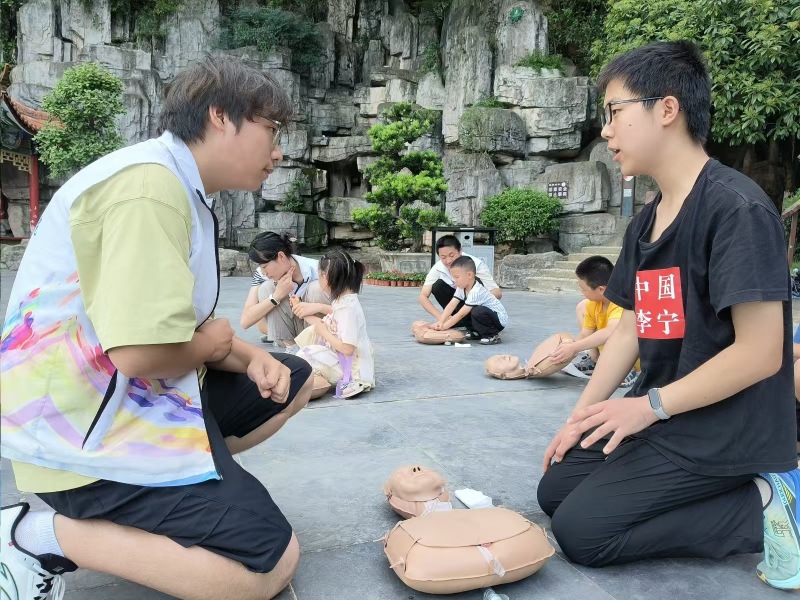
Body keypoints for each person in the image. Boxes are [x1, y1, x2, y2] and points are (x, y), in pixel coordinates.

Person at [0, 56, 316, 600]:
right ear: (221, 116)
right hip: (81, 433)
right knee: (267, 565)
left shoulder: (176, 183)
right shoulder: (149, 188)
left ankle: (183, 489)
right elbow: (142, 353)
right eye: (272, 129)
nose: (278, 151)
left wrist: (253, 356)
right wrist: (214, 343)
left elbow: (186, 327)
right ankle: (32, 535)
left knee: (295, 376)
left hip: (133, 399)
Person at [536, 40, 798, 591]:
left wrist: (647, 407)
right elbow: (632, 327)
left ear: (667, 109)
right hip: (668, 415)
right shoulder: (647, 220)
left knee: (584, 534)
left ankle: (765, 499)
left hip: (723, 427)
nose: (606, 130)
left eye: (615, 111)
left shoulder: (737, 209)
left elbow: (760, 353)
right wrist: (580, 418)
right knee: (555, 490)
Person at [294, 250, 374, 398]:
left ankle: (348, 382)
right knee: (307, 352)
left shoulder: (347, 308)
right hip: (344, 359)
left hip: (351, 367)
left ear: (326, 277)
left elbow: (348, 349)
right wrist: (307, 310)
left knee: (306, 354)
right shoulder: (344, 300)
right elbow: (332, 317)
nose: (318, 280)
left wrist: (324, 332)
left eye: (319, 276)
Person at [550, 255, 638, 387]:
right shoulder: (593, 303)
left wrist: (573, 348)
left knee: (615, 333)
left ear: (601, 289)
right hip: (608, 352)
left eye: (584, 289)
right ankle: (595, 360)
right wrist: (567, 347)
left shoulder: (621, 302)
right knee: (582, 306)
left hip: (631, 355)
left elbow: (609, 332)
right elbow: (586, 334)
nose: (582, 292)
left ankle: (627, 368)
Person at [240, 231, 332, 348]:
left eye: (265, 266)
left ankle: (318, 347)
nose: (263, 272)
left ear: (281, 256)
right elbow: (245, 322)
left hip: (321, 334)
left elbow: (347, 311)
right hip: (288, 339)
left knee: (316, 288)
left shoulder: (319, 270)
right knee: (266, 288)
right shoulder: (263, 275)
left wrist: (317, 307)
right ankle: (291, 349)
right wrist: (276, 296)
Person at [418, 235, 501, 329]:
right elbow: (423, 296)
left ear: (460, 251)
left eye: (452, 255)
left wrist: (475, 297)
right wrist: (441, 317)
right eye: (443, 257)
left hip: (475, 305)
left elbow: (497, 293)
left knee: (475, 282)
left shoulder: (475, 265)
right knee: (438, 285)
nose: (448, 261)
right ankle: (454, 320)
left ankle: (476, 322)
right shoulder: (438, 268)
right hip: (456, 304)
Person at [435, 256, 508, 345]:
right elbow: (451, 305)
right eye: (453, 277)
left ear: (469, 275)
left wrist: (444, 327)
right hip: (487, 315)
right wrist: (441, 321)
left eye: (457, 277)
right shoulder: (461, 288)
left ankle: (491, 335)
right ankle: (475, 331)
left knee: (476, 311)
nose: (454, 280)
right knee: (462, 307)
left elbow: (461, 314)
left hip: (498, 320)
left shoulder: (476, 291)